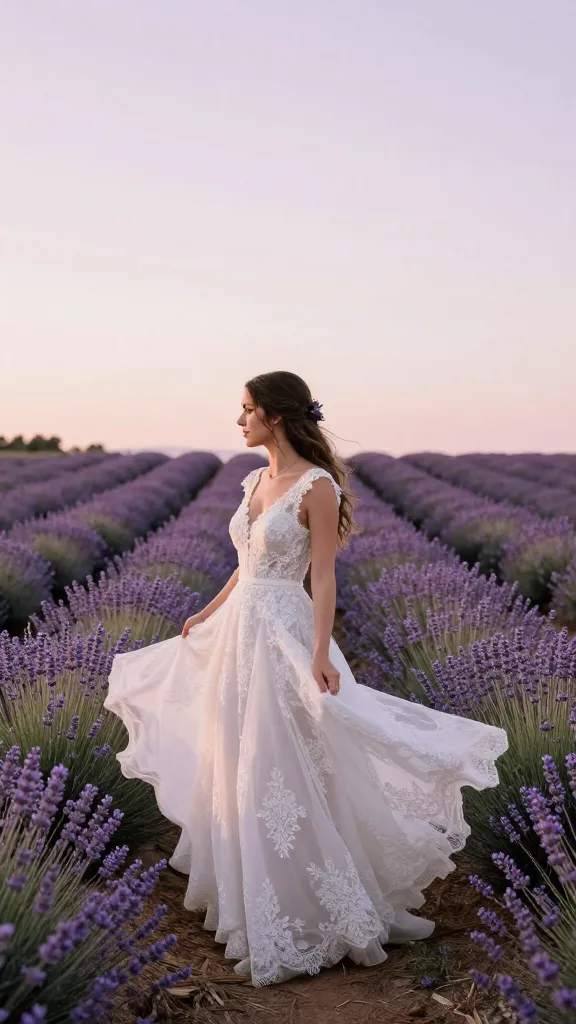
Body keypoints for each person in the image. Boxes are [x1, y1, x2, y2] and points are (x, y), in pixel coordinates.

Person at [104, 370, 508, 988]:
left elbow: (323, 577)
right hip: (239, 633)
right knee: (238, 757)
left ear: (276, 416)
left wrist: (320, 650)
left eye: (246, 410)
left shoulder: (315, 486)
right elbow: (246, 566)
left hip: (285, 634)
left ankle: (317, 907)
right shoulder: (253, 481)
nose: (238, 421)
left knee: (286, 758)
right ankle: (254, 898)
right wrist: (207, 612)